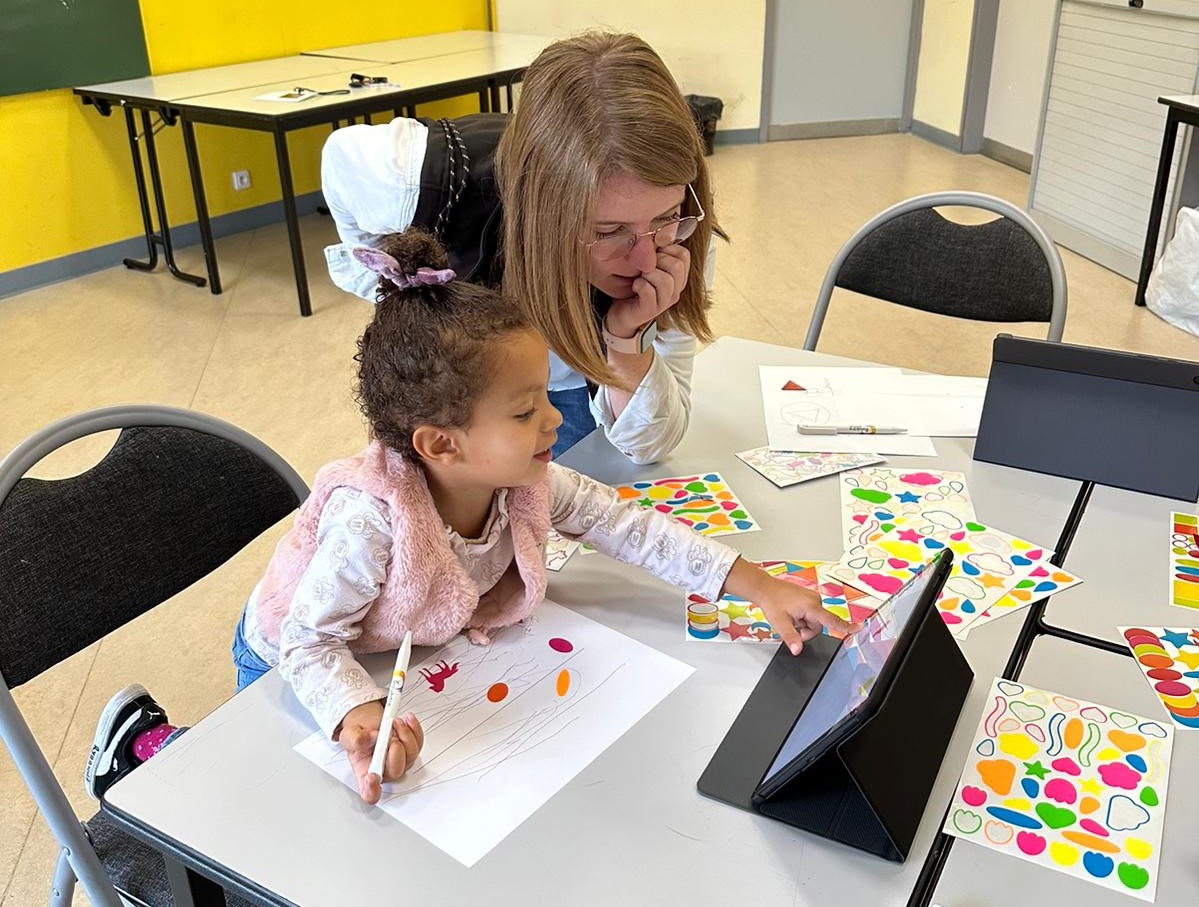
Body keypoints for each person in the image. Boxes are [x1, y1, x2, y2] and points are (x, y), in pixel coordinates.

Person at [85, 232, 853, 807]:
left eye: (545, 398)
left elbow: (624, 524)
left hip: (401, 649)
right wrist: (354, 705)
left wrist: (749, 580)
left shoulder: (523, 475)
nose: (555, 422)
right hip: (294, 652)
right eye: (526, 410)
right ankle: (146, 747)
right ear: (440, 444)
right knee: (262, 803)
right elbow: (309, 640)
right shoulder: (373, 523)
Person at [321, 32, 717, 464]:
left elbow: (649, 446)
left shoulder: (685, 232)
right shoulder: (416, 176)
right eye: (607, 231)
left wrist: (627, 341)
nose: (645, 260)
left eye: (663, 218)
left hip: (575, 384)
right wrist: (398, 282)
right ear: (540, 207)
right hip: (466, 375)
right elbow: (339, 158)